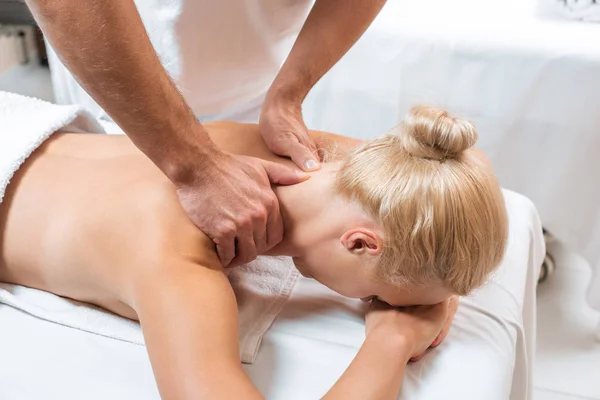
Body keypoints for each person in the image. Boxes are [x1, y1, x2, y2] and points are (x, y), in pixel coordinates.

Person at [0, 106, 508, 399]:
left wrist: (435, 281)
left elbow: (443, 172)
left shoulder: (298, 151)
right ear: (359, 243)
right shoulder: (179, 258)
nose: (378, 304)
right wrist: (392, 340)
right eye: (378, 293)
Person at [24, 0, 388, 268]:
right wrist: (195, 167)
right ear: (360, 243)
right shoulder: (177, 252)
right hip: (117, 86)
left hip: (253, 94)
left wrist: (288, 94)